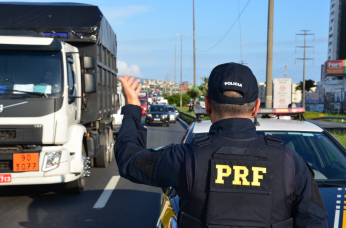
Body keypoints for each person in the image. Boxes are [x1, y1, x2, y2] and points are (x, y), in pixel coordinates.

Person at [114, 63, 328, 228]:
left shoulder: (185, 158)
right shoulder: (291, 163)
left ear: (207, 104)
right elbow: (315, 221)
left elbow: (128, 160)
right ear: (256, 108)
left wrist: (133, 107)